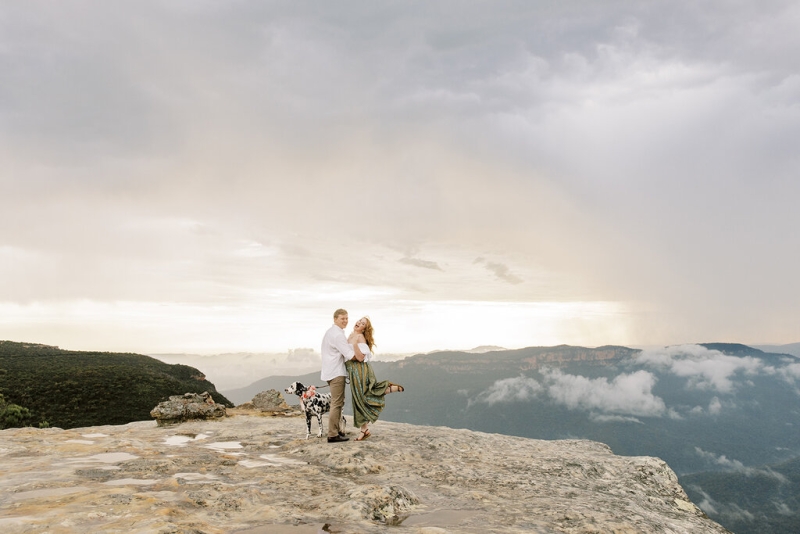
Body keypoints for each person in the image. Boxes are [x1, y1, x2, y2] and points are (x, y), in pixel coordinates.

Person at [345, 316, 404, 441]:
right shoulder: (351, 335)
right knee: (359, 399)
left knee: (362, 398)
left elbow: (361, 357)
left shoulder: (359, 337)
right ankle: (365, 430)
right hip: (353, 370)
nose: (359, 323)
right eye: (359, 320)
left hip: (359, 370)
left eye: (362, 323)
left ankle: (387, 388)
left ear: (364, 329)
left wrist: (354, 344)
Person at [320, 308, 362, 443]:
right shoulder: (338, 335)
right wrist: (361, 358)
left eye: (346, 318)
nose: (345, 321)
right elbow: (349, 355)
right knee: (337, 403)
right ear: (335, 319)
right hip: (336, 372)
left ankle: (336, 430)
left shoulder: (330, 332)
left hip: (329, 371)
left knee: (337, 402)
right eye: (342, 318)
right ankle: (332, 434)